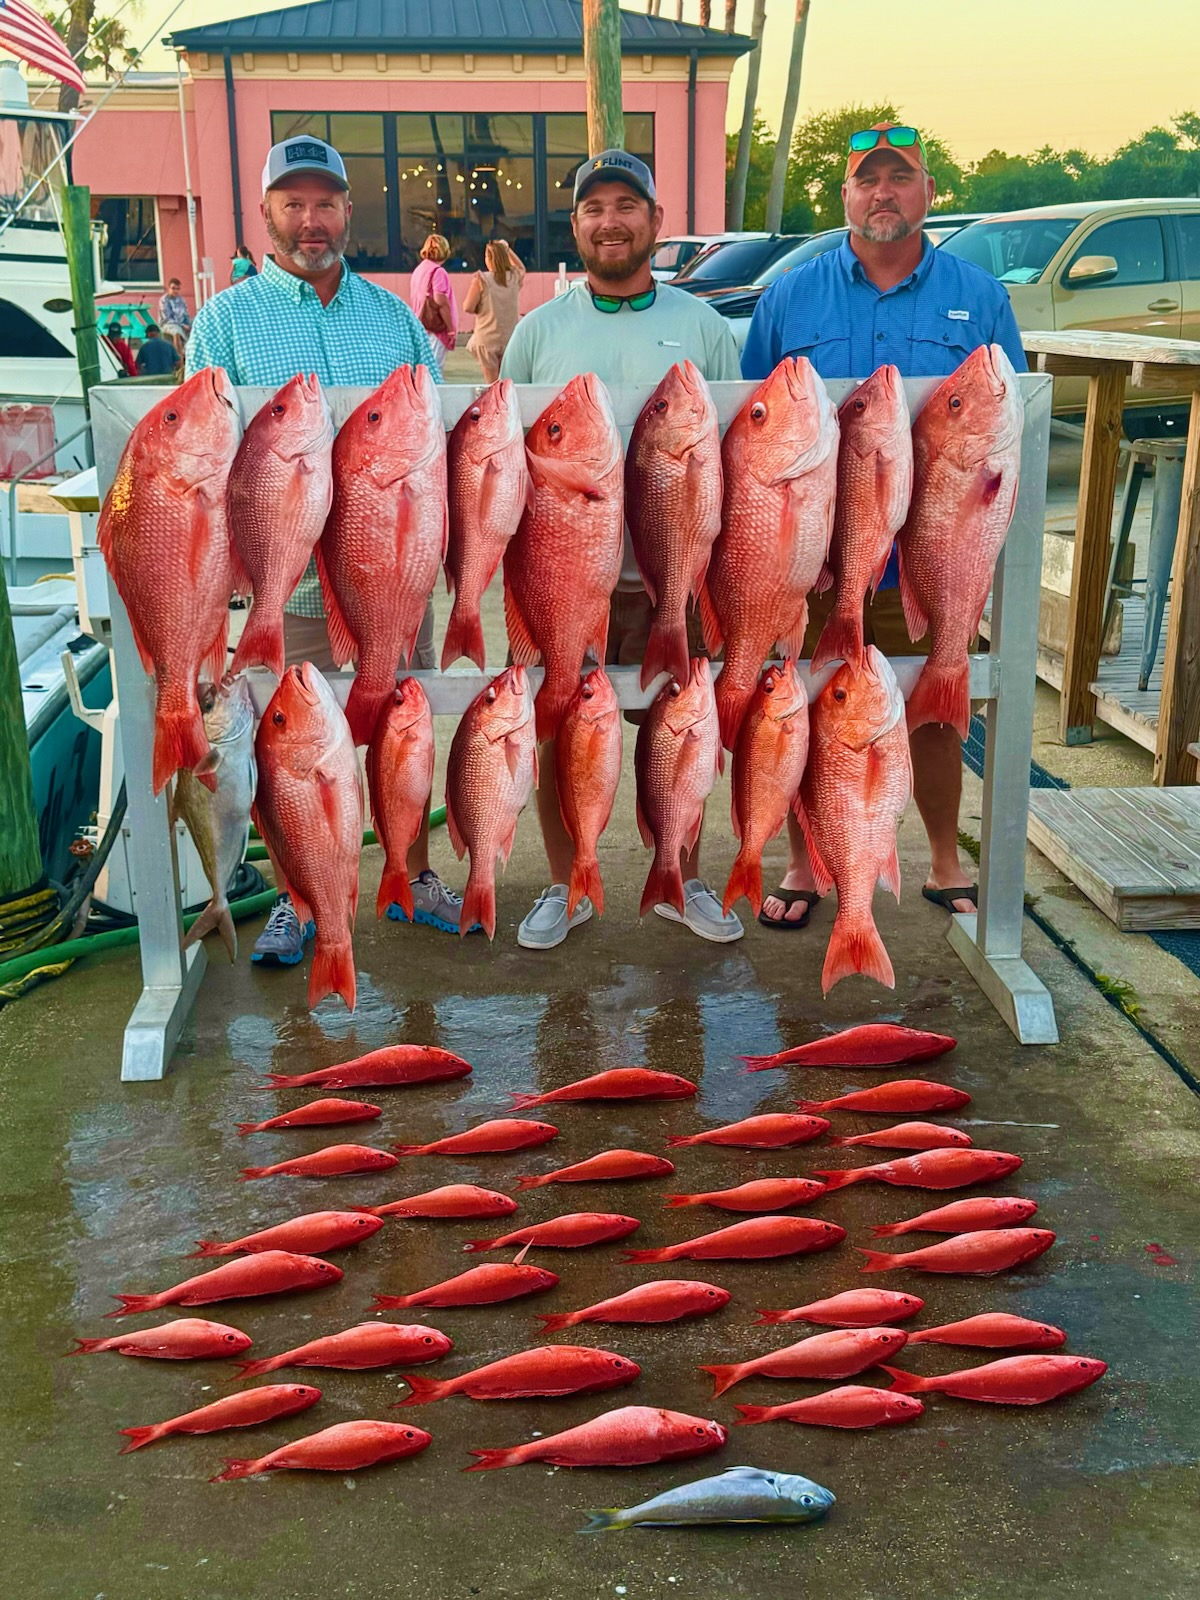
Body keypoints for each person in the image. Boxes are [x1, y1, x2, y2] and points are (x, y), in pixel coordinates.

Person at [186, 134, 472, 963]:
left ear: (348, 211)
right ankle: (300, 894)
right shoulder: (225, 319)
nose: (310, 221)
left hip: (387, 573)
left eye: (325, 204)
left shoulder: (393, 319)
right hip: (292, 591)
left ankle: (411, 876)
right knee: (288, 753)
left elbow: (438, 444)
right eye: (293, 204)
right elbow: (208, 461)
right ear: (266, 213)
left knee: (400, 732)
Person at [741, 121, 1028, 930]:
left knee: (939, 706)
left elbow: (1011, 420)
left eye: (900, 178)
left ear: (930, 192)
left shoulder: (979, 296)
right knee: (802, 705)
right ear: (845, 198)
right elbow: (753, 417)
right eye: (867, 180)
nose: (883, 193)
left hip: (933, 551)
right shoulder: (791, 294)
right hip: (814, 554)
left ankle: (943, 857)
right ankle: (805, 861)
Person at [501, 149, 744, 951]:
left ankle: (682, 874)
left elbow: (734, 460)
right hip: (564, 575)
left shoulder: (703, 327)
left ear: (656, 222)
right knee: (558, 728)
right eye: (594, 207)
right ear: (575, 226)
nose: (611, 221)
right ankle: (568, 882)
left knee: (681, 728)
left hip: (676, 574)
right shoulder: (537, 334)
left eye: (627, 205)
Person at [464, 239, 525, 384]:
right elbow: (521, 267)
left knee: (492, 385)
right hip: (509, 338)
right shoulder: (513, 277)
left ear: (489, 259)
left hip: (487, 338)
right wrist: (507, 249)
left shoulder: (481, 280)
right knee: (506, 383)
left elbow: (468, 307)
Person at [409, 234, 457, 372]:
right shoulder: (438, 272)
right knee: (433, 371)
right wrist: (450, 329)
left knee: (422, 369)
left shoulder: (419, 270)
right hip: (436, 329)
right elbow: (441, 301)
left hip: (422, 325)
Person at [158, 278, 191, 357]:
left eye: (178, 289)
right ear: (169, 288)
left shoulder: (181, 299)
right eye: (173, 288)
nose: (175, 291)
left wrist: (189, 324)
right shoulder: (164, 300)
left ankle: (188, 355)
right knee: (177, 332)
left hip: (181, 323)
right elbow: (167, 317)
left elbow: (185, 314)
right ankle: (178, 357)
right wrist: (182, 325)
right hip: (167, 324)